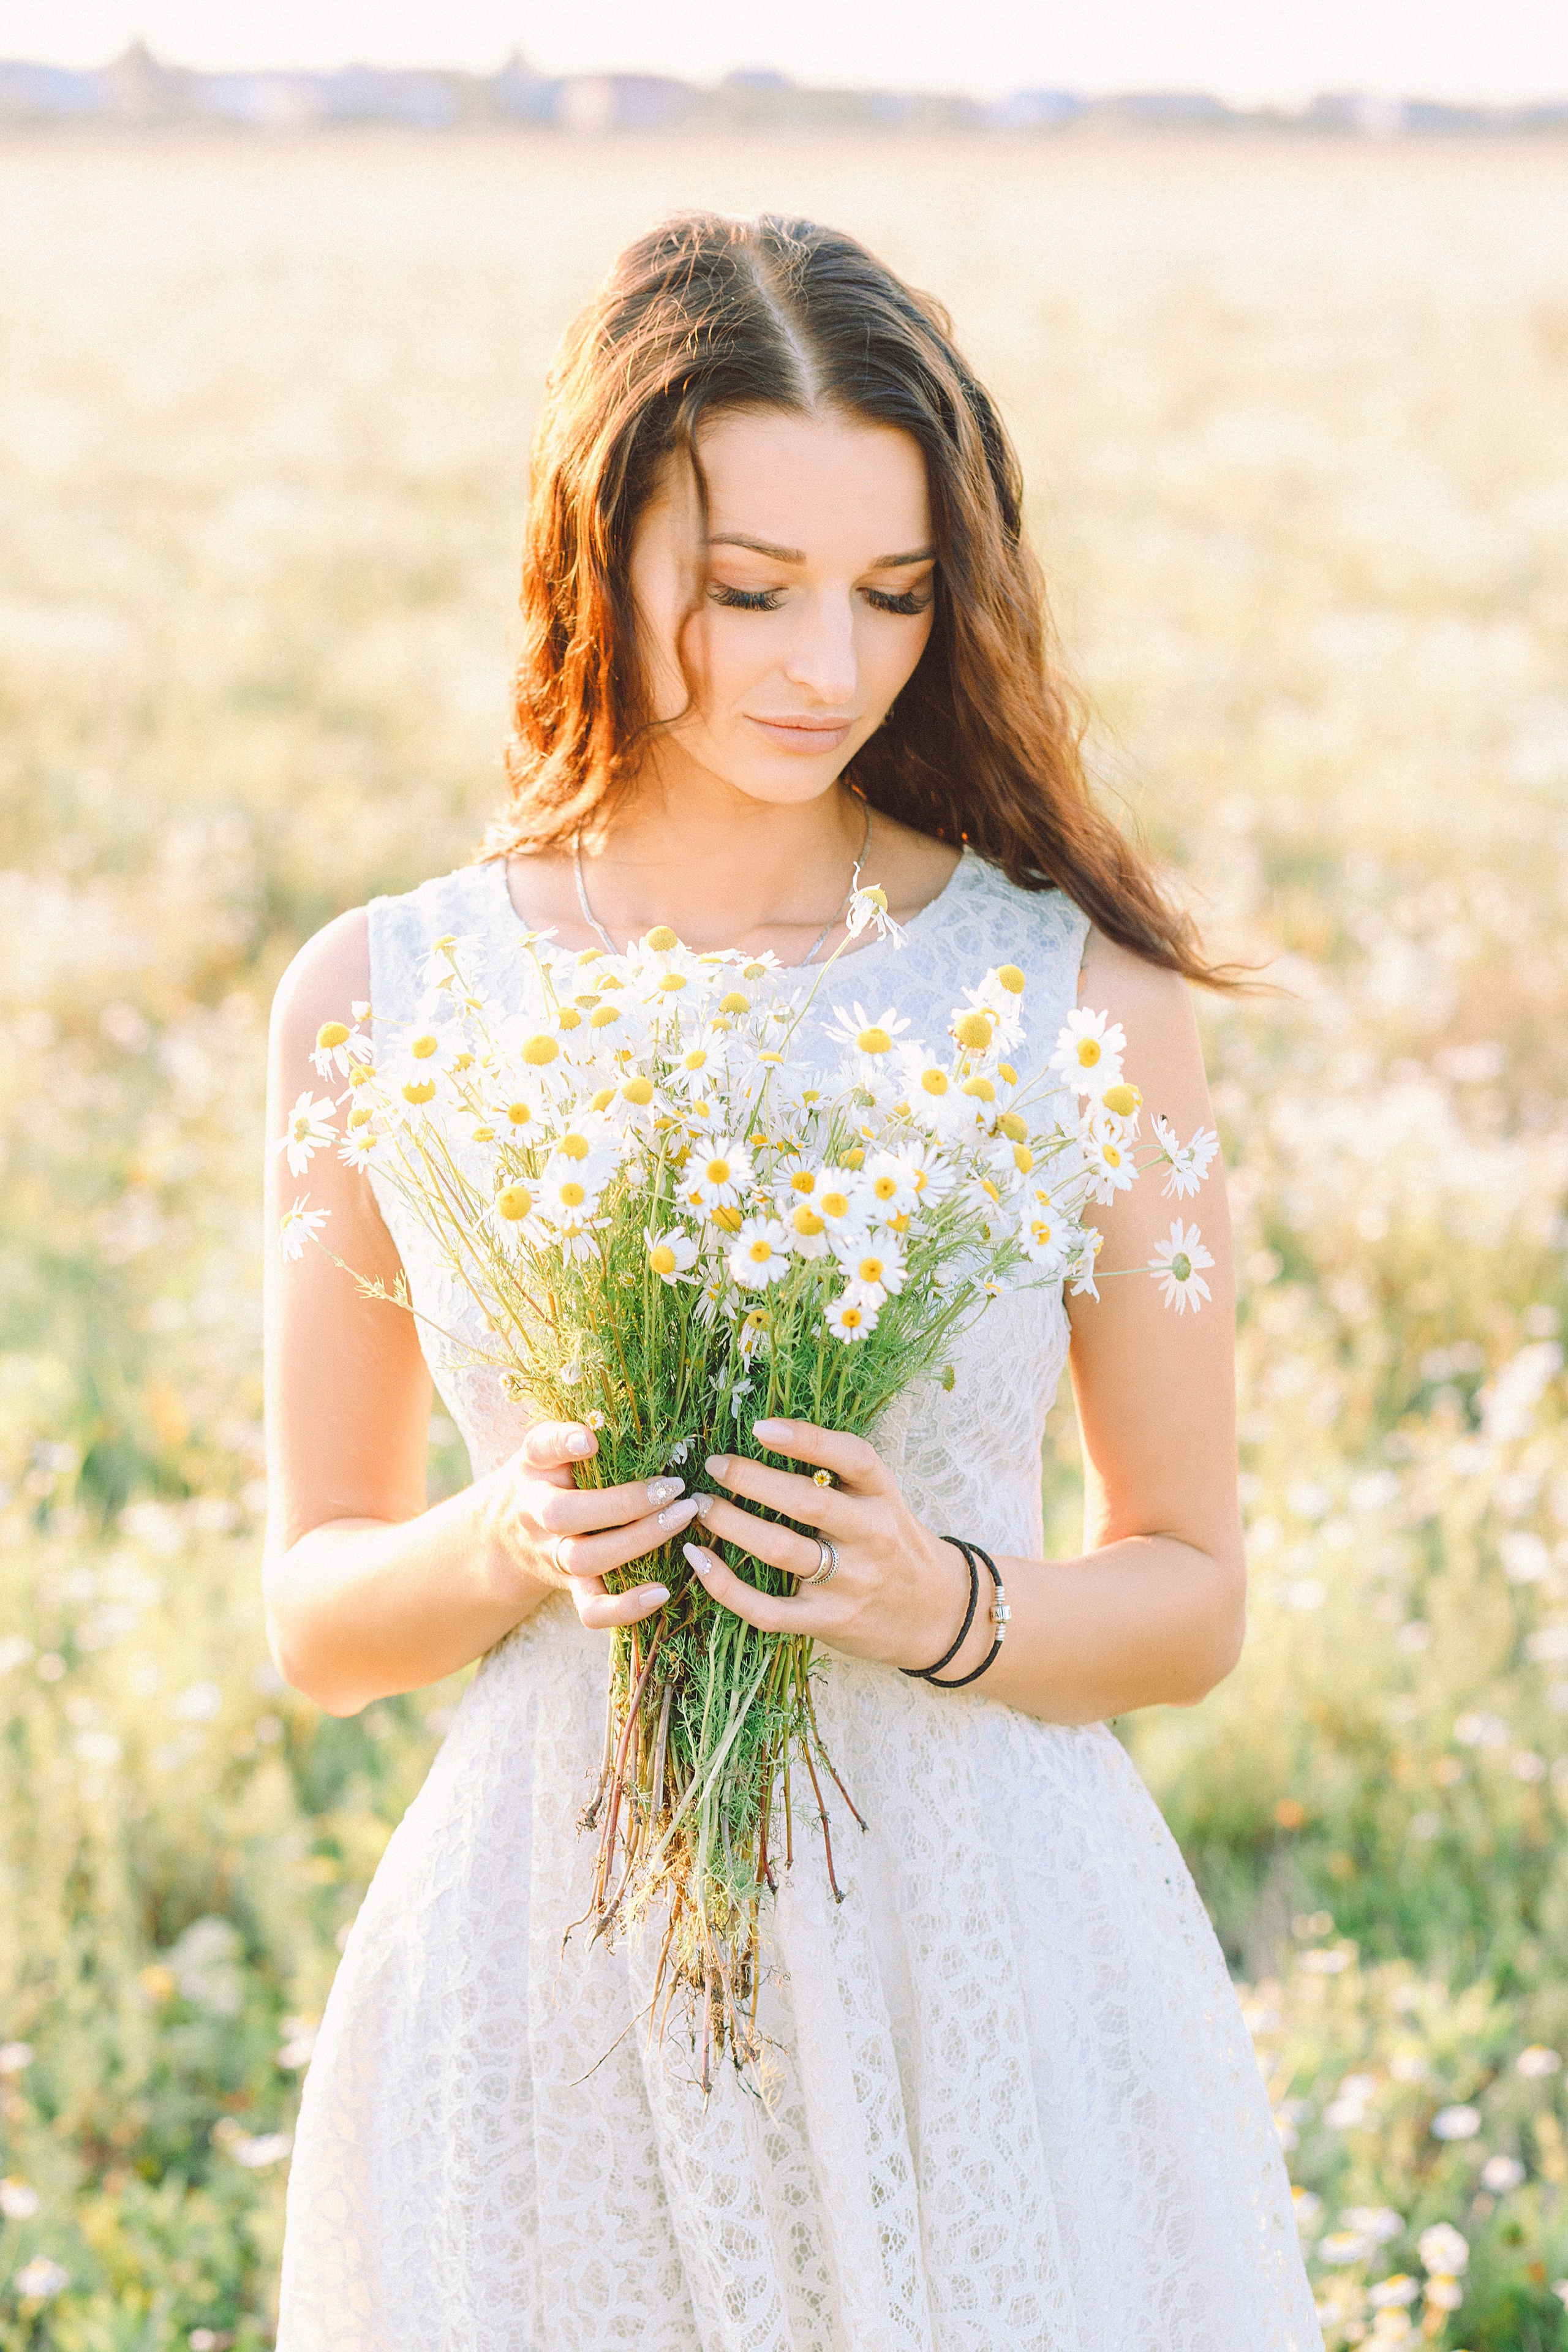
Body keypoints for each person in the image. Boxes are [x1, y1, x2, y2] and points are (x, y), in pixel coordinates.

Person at [266, 212, 1318, 2349]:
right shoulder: (387, 992)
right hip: (553, 1967)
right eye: (747, 590)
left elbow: (1192, 1587)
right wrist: (511, 1540)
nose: (823, 666)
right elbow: (315, 1619)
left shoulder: (1074, 993)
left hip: (991, 1951)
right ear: (596, 549)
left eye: (892, 594)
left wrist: (948, 1604)